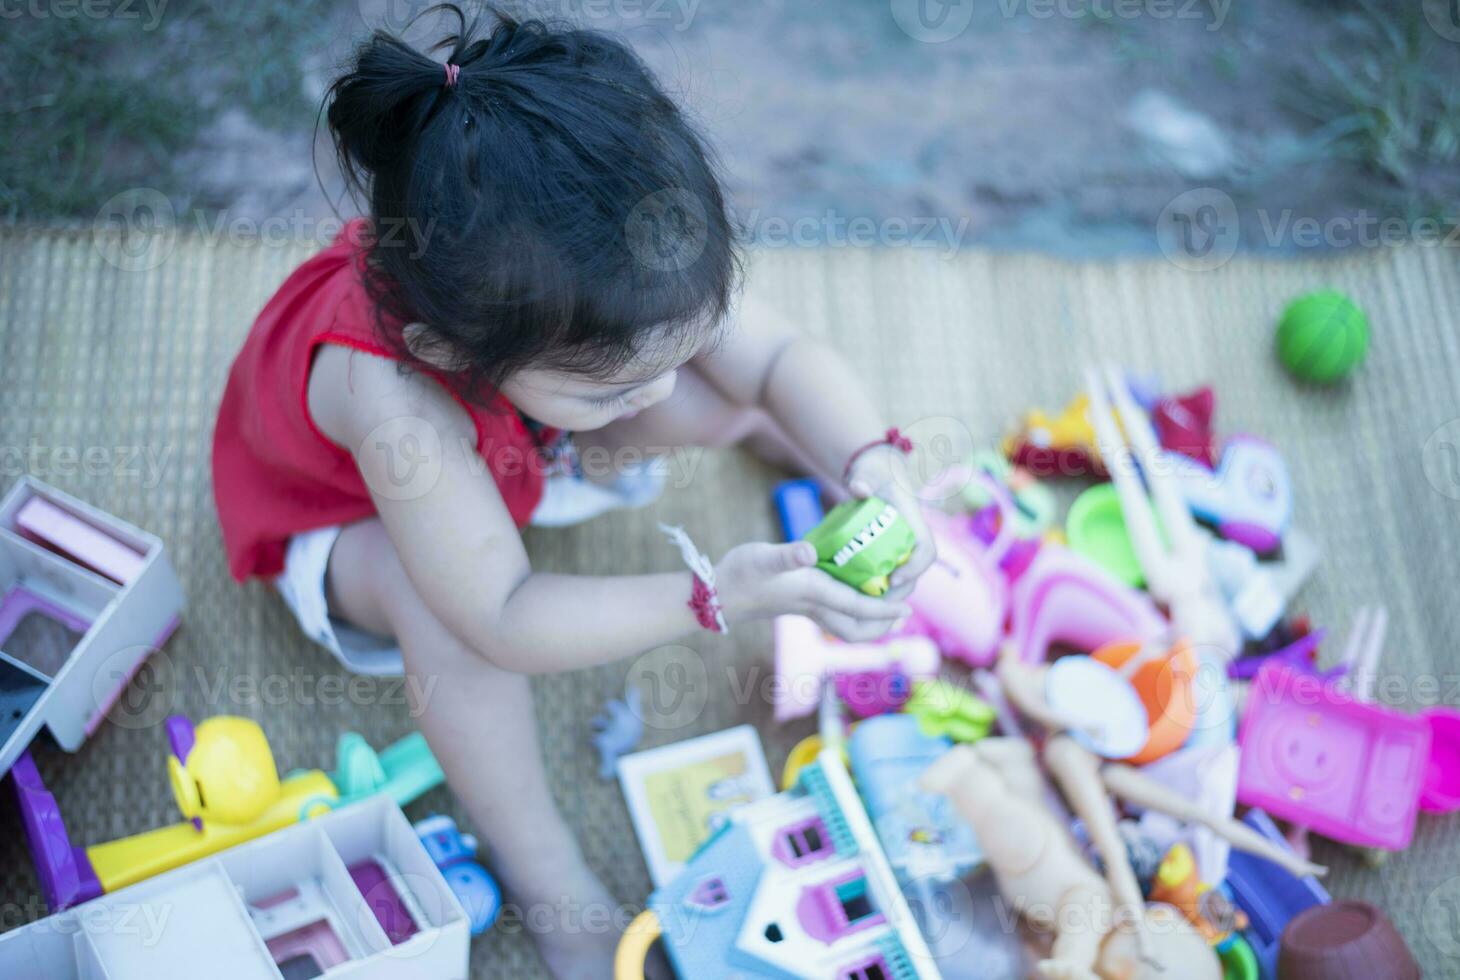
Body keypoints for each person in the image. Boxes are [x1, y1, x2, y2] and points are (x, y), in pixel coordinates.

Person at [212, 8, 934, 975]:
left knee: (737, 385)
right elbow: (502, 615)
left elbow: (780, 354)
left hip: (525, 434)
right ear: (448, 350)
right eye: (619, 386)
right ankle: (548, 874)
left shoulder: (622, 266)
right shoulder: (391, 396)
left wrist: (874, 461)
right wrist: (715, 594)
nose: (660, 395)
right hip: (346, 522)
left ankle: (734, 438)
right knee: (436, 607)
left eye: (671, 350)